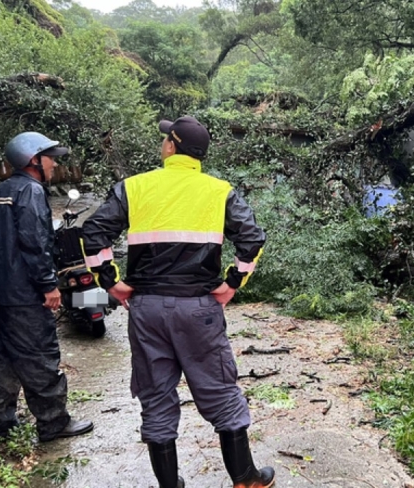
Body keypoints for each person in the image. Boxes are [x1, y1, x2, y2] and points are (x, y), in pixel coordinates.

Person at [80, 116, 273, 488]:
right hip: (198, 307)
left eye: (166, 138)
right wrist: (233, 284)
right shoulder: (220, 191)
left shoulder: (133, 187)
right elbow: (252, 239)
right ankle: (246, 479)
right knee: (220, 391)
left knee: (155, 395)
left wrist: (112, 283)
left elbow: (92, 232)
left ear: (172, 146)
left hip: (147, 308)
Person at [0, 132, 94, 443]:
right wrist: (49, 285)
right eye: (49, 157)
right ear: (33, 159)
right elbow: (34, 243)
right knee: (39, 355)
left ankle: (2, 424)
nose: (54, 164)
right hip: (23, 294)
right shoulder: (31, 191)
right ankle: (53, 423)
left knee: (1, 358)